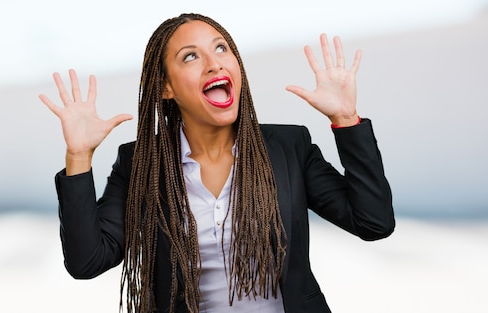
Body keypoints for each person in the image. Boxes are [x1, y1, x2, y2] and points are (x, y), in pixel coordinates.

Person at [39, 13, 394, 313]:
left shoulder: (288, 147)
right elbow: (87, 261)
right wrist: (79, 158)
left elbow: (373, 223)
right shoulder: (140, 164)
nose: (214, 63)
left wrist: (347, 120)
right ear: (166, 87)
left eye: (221, 48)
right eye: (190, 57)